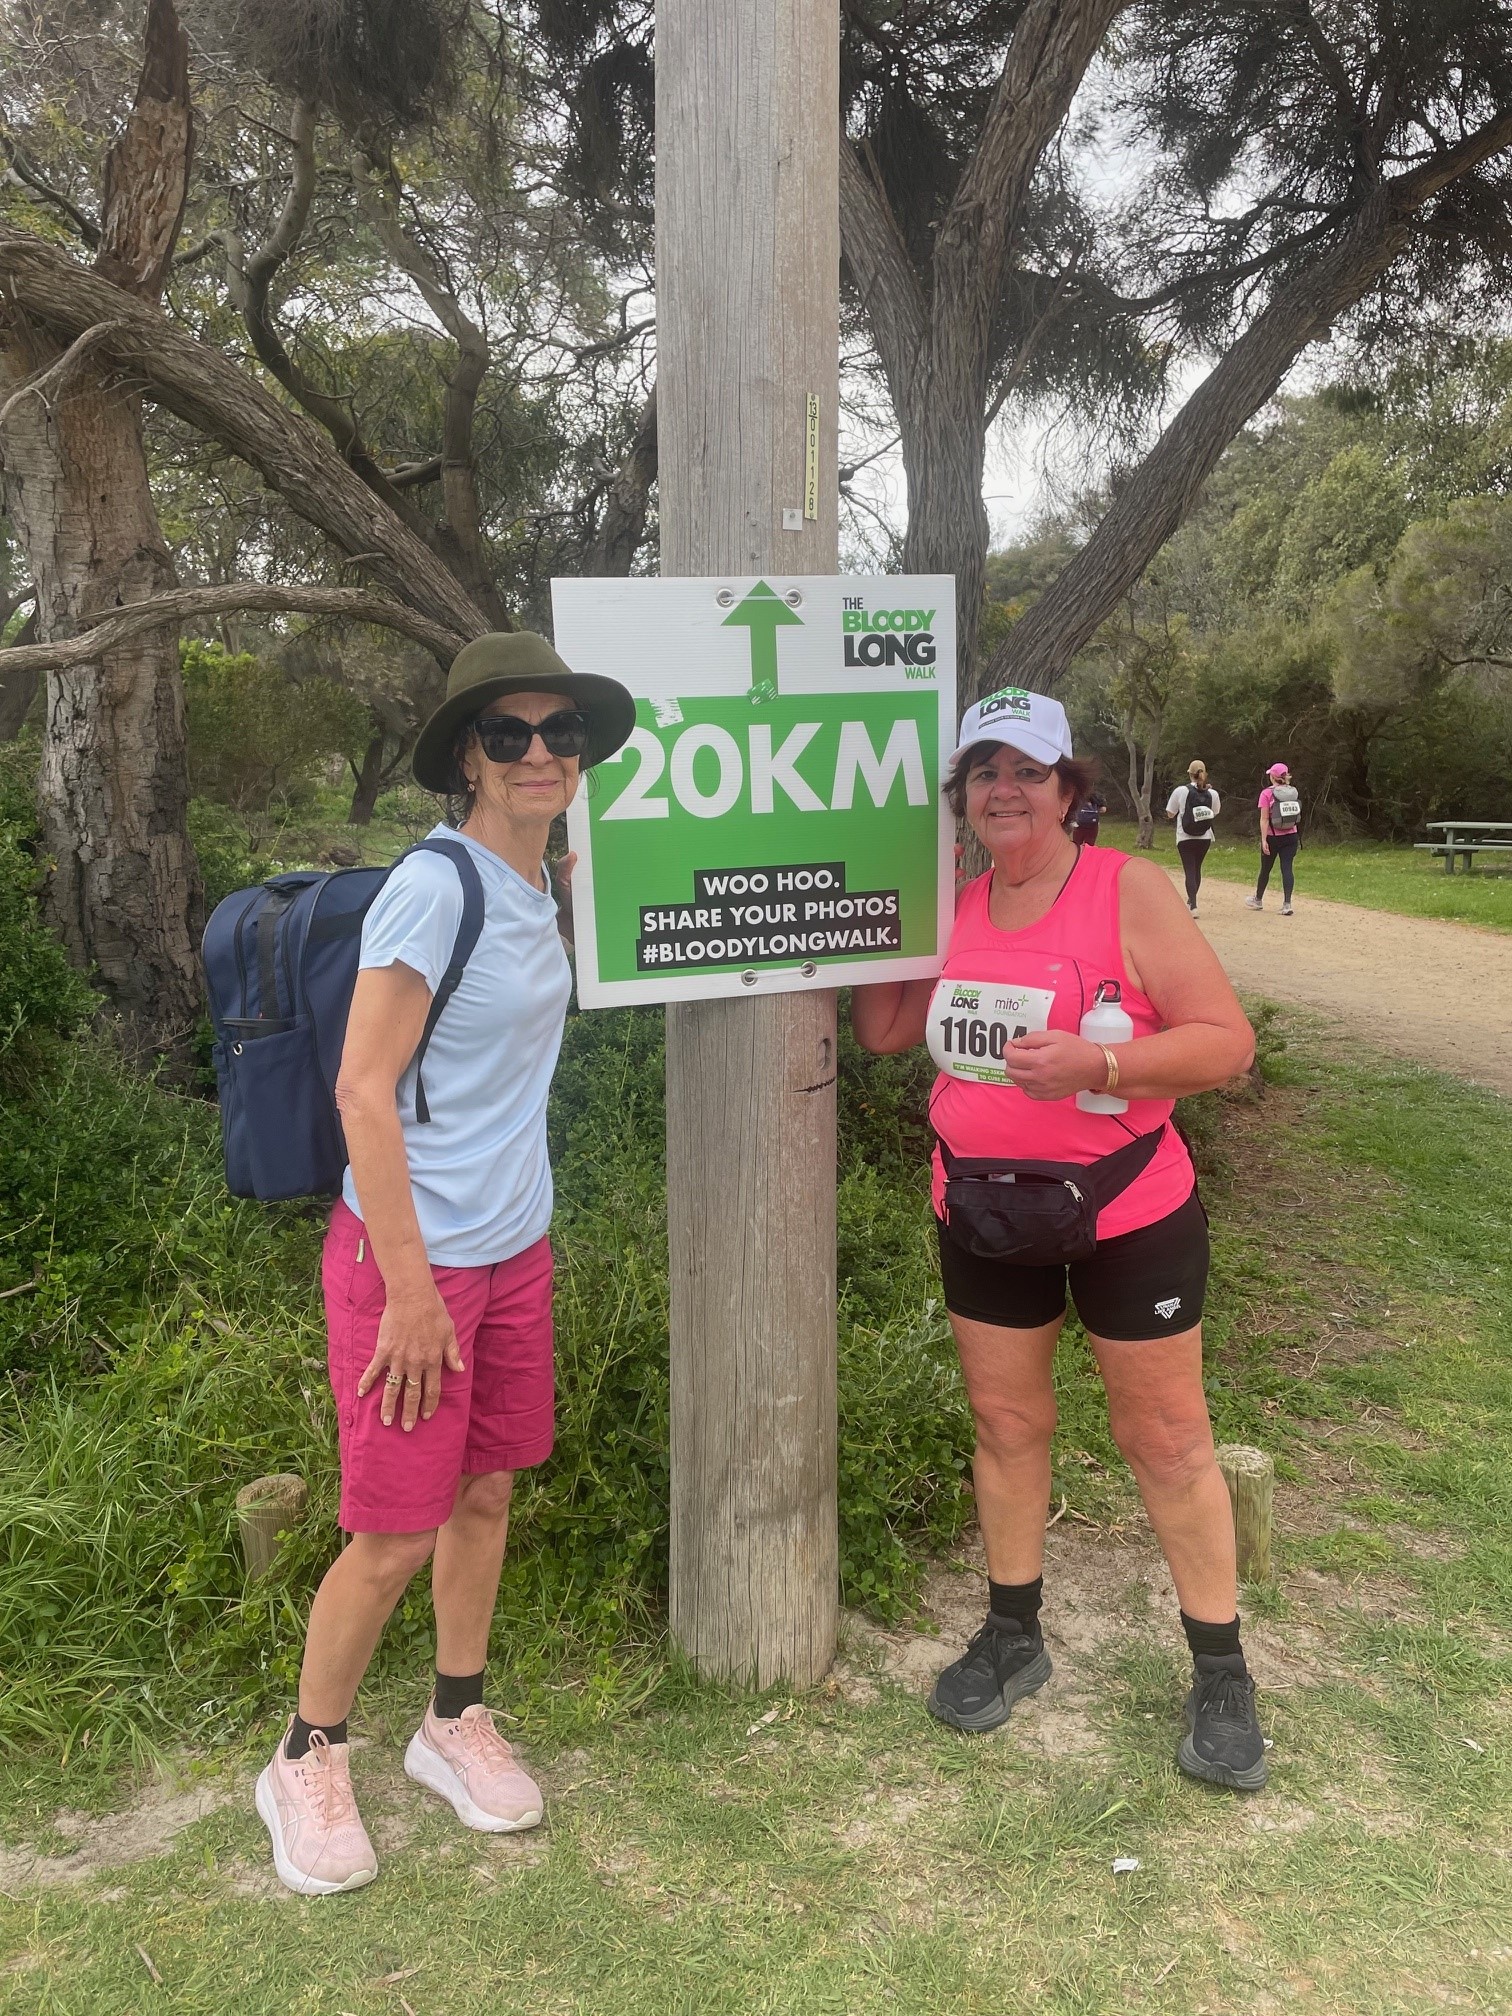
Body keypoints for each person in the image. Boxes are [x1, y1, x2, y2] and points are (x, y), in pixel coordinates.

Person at [256, 633, 635, 1895]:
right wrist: (412, 1291)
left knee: (486, 1495)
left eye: (561, 733)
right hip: (406, 1261)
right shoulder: (436, 888)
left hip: (512, 1247)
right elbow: (362, 1087)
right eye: (512, 734)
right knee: (394, 1529)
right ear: (468, 757)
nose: (541, 752)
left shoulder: (535, 886)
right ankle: (307, 1755)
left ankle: (452, 1717)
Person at [851, 686, 1266, 1790]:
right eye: (985, 772)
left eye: (1028, 771)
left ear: (1069, 790)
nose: (1005, 790)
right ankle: (1013, 1633)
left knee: (1168, 1441)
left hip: (1130, 1213)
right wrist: (871, 928)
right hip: (983, 1209)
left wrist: (1107, 1067)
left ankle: (1221, 1673)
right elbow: (890, 1030)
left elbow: (1225, 1042)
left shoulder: (1127, 892)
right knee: (1005, 1421)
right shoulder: (953, 903)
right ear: (965, 799)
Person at [1166, 760, 1221, 915]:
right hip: (1205, 836)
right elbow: (1215, 812)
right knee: (1197, 868)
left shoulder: (1180, 791)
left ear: (1189, 773)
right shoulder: (1213, 793)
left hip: (1184, 836)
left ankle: (1193, 905)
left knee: (1189, 869)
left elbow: (1170, 813)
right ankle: (1192, 901)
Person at [1246, 762, 1301, 915]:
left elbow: (1264, 819)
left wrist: (1263, 840)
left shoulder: (1266, 793)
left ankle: (1258, 899)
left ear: (1273, 777)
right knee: (1287, 868)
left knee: (1265, 869)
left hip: (1273, 837)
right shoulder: (1293, 792)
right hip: (1292, 835)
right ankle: (1287, 904)